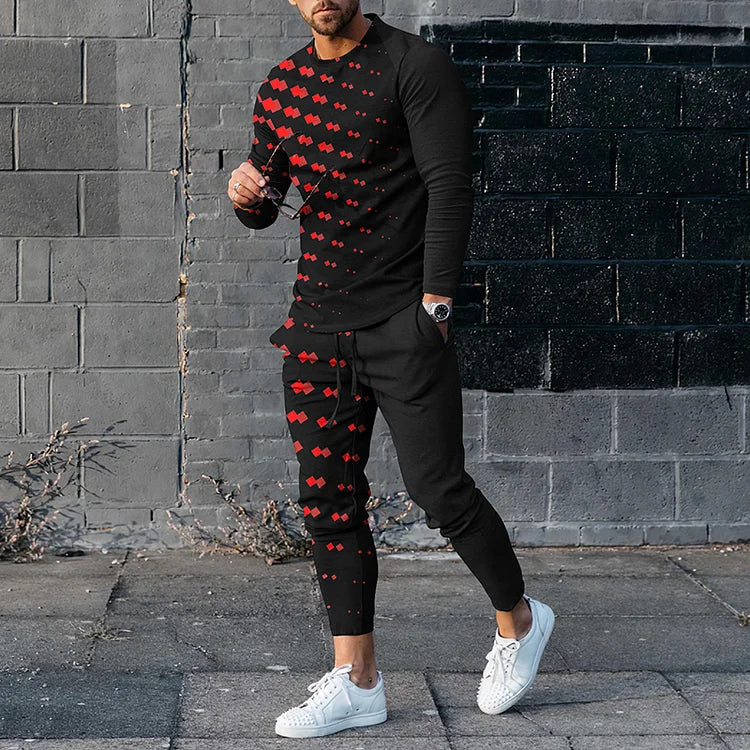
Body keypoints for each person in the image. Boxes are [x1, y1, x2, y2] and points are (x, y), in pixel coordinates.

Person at [227, 0, 555, 738]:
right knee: (327, 500)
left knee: (439, 489)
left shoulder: (414, 66)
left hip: (404, 320)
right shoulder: (281, 86)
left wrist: (435, 307)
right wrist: (247, 194)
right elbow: (270, 200)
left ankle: (520, 619)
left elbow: (450, 185)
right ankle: (358, 681)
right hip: (316, 325)